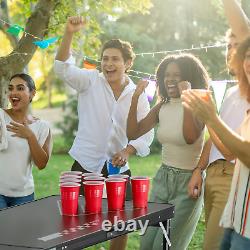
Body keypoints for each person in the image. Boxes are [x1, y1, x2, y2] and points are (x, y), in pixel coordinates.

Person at [54, 16, 153, 250]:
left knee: (122, 225)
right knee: (73, 226)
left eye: (115, 59)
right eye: (105, 59)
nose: (108, 64)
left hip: (118, 170)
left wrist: (128, 150)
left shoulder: (137, 93)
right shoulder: (89, 81)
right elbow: (61, 68)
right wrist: (69, 33)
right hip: (85, 164)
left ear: (128, 63)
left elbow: (146, 132)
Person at [127, 53, 210, 250]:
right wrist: (135, 97)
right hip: (163, 179)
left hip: (187, 182)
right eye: (167, 75)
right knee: (147, 244)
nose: (170, 79)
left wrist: (188, 96)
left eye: (177, 75)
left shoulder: (199, 105)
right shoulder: (161, 107)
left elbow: (190, 137)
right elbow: (133, 132)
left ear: (190, 78)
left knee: (164, 246)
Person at [187, 2, 250, 249]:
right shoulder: (234, 92)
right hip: (220, 179)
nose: (233, 51)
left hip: (230, 176)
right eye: (229, 45)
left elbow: (230, 150)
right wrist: (199, 169)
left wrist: (208, 117)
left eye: (240, 46)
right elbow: (214, 140)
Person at [0, 73, 52, 209]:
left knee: (21, 231)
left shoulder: (42, 126)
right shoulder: (0, 117)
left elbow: (41, 164)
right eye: (11, 88)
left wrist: (30, 136)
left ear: (32, 93)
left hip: (24, 195)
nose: (13, 92)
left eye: (20, 88)